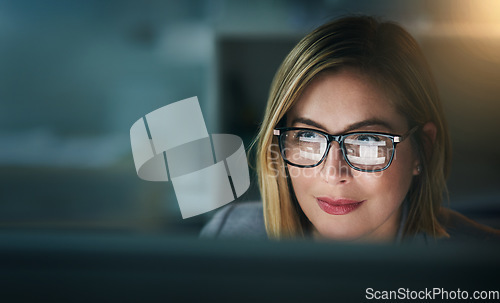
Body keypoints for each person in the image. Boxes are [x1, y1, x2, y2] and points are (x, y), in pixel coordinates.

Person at [200, 15, 500, 243]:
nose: (333, 172)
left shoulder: (481, 261)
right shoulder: (229, 237)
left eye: (367, 140)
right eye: (307, 136)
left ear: (424, 148)